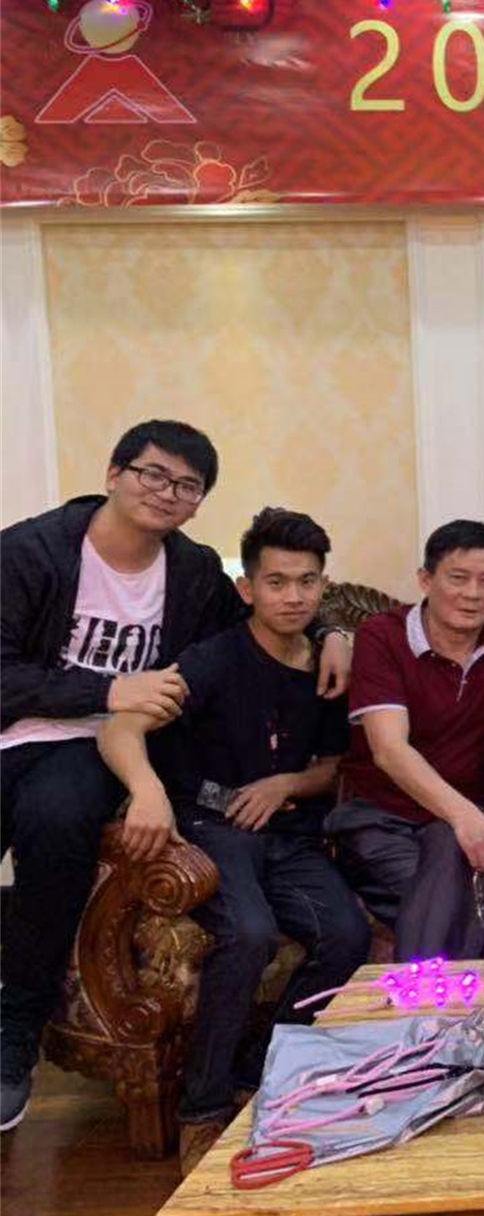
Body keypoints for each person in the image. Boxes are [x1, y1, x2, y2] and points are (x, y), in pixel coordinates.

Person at [0, 420, 350, 1132]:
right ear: (114, 473)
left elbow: (272, 610)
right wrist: (106, 689)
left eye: (187, 486)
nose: (167, 492)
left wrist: (334, 632)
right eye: (153, 474)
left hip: (106, 747)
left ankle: (15, 1031)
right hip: (22, 730)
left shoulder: (191, 571)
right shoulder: (29, 551)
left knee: (58, 815)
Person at [96, 507, 369, 1172]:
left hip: (290, 834)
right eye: (276, 582)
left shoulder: (328, 665)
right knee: (248, 933)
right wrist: (149, 790)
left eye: (306, 581)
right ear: (247, 587)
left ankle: (257, 1068)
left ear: (323, 585)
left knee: (347, 936)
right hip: (211, 821)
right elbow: (119, 728)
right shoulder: (214, 659)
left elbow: (333, 765)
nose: (293, 596)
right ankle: (203, 1106)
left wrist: (287, 783)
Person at [327, 521, 484, 963]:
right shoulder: (383, 635)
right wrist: (467, 819)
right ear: (425, 579)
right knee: (451, 893)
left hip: (470, 815)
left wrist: (468, 820)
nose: (472, 594)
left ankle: (418, 1003)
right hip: (381, 816)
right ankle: (442, 1002)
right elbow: (389, 749)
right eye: (458, 578)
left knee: (447, 864)